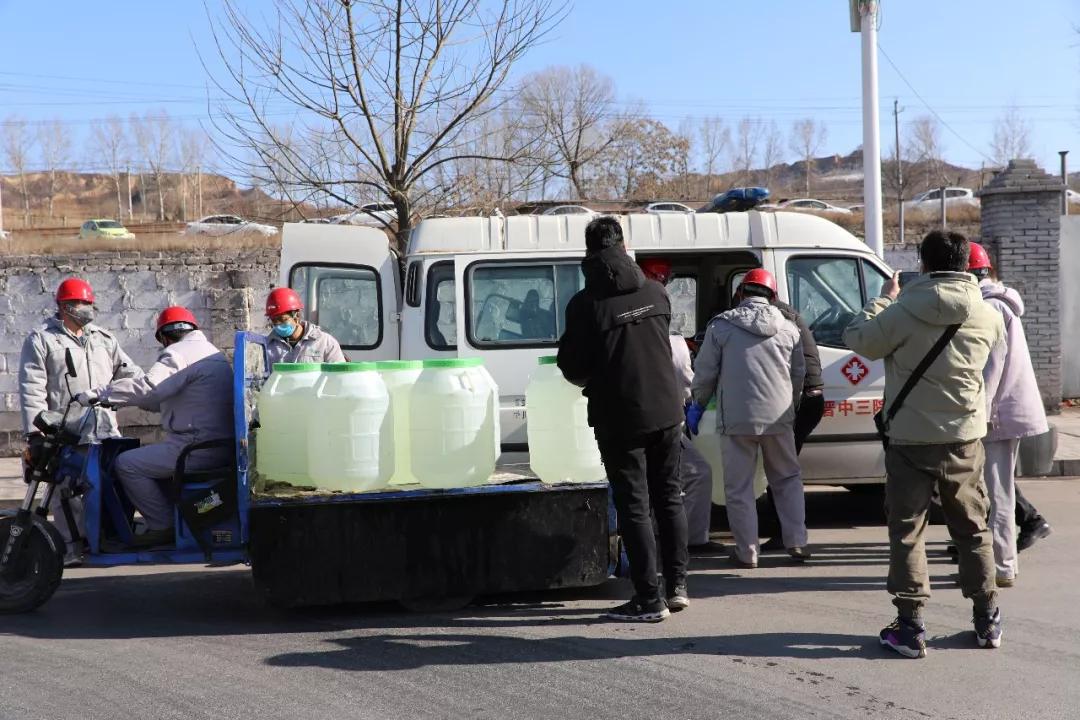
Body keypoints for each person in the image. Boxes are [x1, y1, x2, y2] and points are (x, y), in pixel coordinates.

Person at [843, 230, 1005, 658]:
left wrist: (882, 299)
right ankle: (987, 618)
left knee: (908, 530)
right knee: (972, 527)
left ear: (924, 263)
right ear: (966, 264)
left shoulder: (902, 310)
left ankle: (911, 626)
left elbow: (858, 340)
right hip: (964, 439)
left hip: (910, 438)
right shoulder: (988, 315)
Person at [558, 217, 688, 622]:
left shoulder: (585, 305)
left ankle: (650, 599)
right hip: (667, 410)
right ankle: (678, 587)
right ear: (624, 245)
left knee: (635, 505)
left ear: (588, 251)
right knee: (669, 497)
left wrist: (597, 376)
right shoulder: (657, 292)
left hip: (620, 416)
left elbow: (572, 366)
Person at [79, 307, 235, 548]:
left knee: (127, 464)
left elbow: (149, 387)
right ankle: (172, 518)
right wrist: (119, 402)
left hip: (195, 447)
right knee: (148, 457)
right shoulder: (210, 353)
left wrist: (99, 394)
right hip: (215, 444)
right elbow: (164, 397)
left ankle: (164, 526)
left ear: (163, 336)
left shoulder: (176, 353)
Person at [688, 269, 808, 569]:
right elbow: (798, 375)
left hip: (737, 420)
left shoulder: (722, 327)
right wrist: (789, 407)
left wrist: (697, 405)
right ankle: (796, 543)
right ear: (774, 297)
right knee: (787, 480)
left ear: (741, 293)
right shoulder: (790, 329)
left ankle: (747, 552)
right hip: (779, 418)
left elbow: (704, 375)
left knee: (739, 487)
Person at [19, 277, 142, 566]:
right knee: (67, 493)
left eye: (89, 303)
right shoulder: (42, 340)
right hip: (67, 432)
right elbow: (32, 388)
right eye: (80, 303)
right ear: (63, 306)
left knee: (106, 490)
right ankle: (68, 551)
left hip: (105, 431)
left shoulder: (104, 338)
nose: (86, 308)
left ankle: (100, 542)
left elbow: (129, 374)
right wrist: (35, 434)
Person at [969, 242, 1049, 587]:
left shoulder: (991, 309)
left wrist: (980, 413)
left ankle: (1003, 566)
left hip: (997, 413)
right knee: (997, 489)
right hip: (1005, 409)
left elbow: (991, 367)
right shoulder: (1001, 302)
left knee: (999, 492)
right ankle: (1002, 560)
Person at [639, 258, 715, 550]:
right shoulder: (674, 345)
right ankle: (692, 541)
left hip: (632, 422)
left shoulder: (629, 336)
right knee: (696, 474)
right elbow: (688, 384)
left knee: (649, 483)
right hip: (666, 422)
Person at [759, 293, 824, 553]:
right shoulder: (790, 315)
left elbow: (793, 371)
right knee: (785, 468)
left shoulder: (776, 320)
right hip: (812, 397)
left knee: (782, 470)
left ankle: (784, 535)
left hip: (802, 401)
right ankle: (788, 534)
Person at [264, 287, 346, 365]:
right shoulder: (268, 346)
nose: (278, 324)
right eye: (274, 321)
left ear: (297, 316)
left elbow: (339, 376)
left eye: (283, 319)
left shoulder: (325, 343)